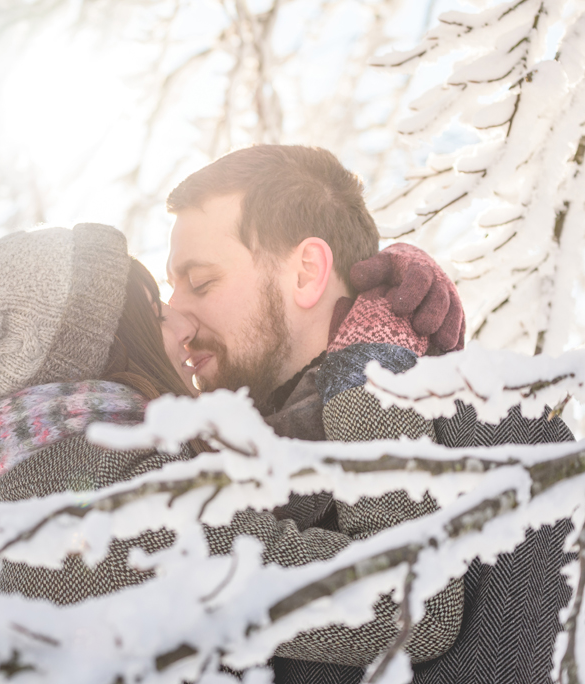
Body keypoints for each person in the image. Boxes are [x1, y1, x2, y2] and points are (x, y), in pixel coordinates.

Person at [0, 222, 465, 670]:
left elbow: (264, 520)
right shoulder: (113, 516)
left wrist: (362, 370)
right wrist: (371, 371)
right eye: (159, 312)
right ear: (105, 352)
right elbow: (414, 604)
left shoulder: (63, 489)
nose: (185, 323)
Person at [164, 144, 575, 684]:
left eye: (201, 282)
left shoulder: (503, 440)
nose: (176, 315)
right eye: (171, 288)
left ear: (307, 272)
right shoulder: (218, 472)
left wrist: (371, 373)